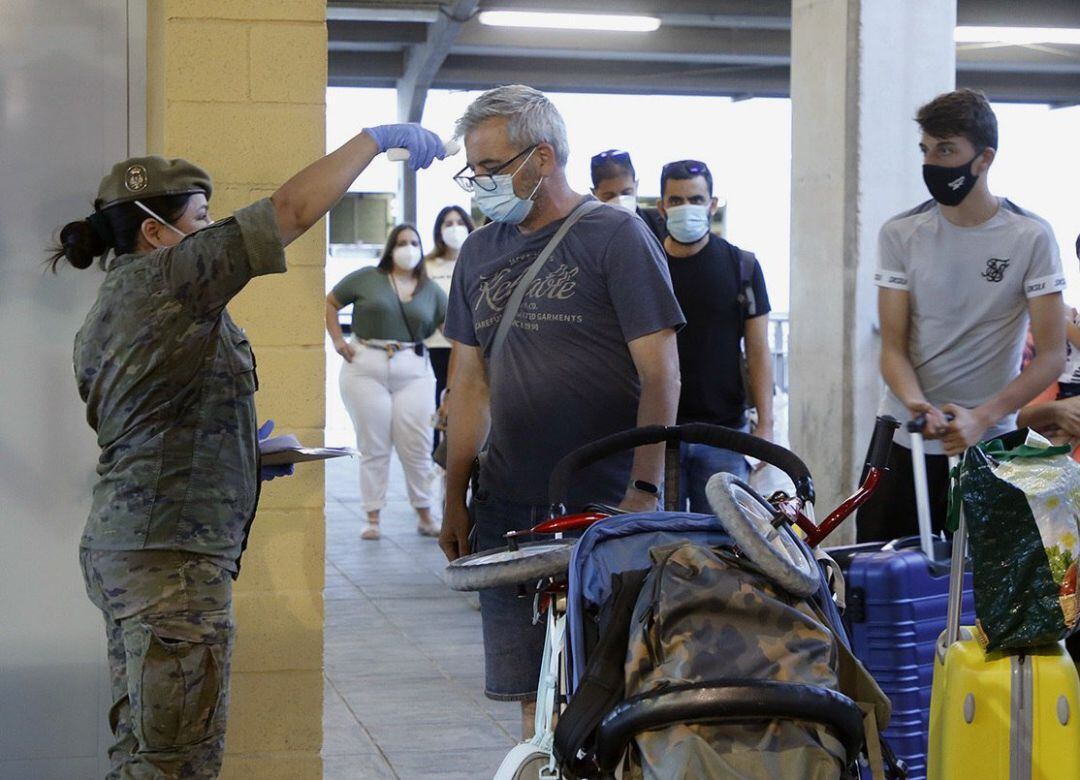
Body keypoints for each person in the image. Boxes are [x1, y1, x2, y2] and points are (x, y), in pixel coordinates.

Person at [53, 123, 446, 777]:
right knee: (176, 762)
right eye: (202, 220)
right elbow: (288, 212)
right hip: (170, 562)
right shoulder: (172, 280)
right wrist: (373, 141)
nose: (212, 233)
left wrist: (243, 453)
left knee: (144, 752)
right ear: (155, 230)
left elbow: (150, 425)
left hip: (135, 551)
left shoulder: (113, 307)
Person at [439, 85, 684, 736]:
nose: (479, 183)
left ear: (542, 158)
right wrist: (455, 497)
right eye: (473, 170)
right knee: (532, 697)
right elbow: (467, 387)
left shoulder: (617, 236)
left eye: (489, 168)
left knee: (613, 692)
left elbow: (660, 372)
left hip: (603, 508)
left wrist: (644, 487)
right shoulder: (479, 253)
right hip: (510, 512)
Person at [856, 88, 1066, 543]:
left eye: (946, 149)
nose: (932, 162)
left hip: (993, 444)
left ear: (984, 158)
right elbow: (892, 346)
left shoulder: (1031, 237)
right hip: (904, 440)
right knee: (887, 585)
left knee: (993, 596)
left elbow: (1050, 355)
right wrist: (916, 404)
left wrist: (981, 418)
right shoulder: (901, 233)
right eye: (926, 150)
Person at [657, 158, 774, 511]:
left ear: (712, 204)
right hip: (658, 437)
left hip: (724, 433)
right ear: (662, 207)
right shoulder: (646, 267)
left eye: (695, 199)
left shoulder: (743, 266)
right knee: (659, 545)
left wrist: (765, 427)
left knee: (724, 546)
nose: (686, 208)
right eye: (676, 200)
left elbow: (758, 351)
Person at [326, 224, 447, 540]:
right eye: (402, 242)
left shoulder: (430, 290)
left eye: (414, 243)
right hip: (367, 364)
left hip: (413, 367)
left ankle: (425, 512)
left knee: (417, 444)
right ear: (391, 247)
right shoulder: (369, 277)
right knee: (374, 445)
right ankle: (372, 516)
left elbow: (453, 329)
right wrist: (339, 341)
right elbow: (331, 302)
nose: (409, 248)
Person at [423, 205, 475, 447]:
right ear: (439, 231)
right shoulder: (427, 266)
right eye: (448, 223)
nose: (455, 228)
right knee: (443, 396)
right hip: (438, 345)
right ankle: (442, 453)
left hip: (472, 345)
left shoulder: (478, 259)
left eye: (459, 222)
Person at [589, 148, 666, 240]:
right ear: (594, 194)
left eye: (626, 193)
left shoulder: (660, 227)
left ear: (636, 186)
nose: (620, 202)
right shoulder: (589, 235)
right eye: (609, 196)